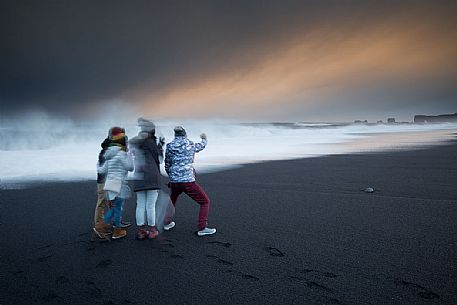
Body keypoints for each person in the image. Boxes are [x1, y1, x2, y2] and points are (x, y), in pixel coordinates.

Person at [164, 126, 216, 236]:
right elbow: (201, 146)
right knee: (204, 201)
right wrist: (204, 138)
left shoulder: (169, 146)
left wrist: (171, 177)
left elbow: (167, 163)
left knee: (172, 200)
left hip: (174, 181)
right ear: (185, 134)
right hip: (187, 180)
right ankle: (202, 227)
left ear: (175, 135)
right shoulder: (190, 144)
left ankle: (167, 222)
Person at [129, 118, 165, 240]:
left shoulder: (135, 142)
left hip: (139, 175)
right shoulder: (151, 142)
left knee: (140, 204)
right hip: (152, 176)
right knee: (150, 206)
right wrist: (161, 146)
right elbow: (159, 159)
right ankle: (152, 230)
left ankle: (141, 231)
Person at [97, 127, 134, 240]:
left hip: (109, 184)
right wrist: (130, 157)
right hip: (119, 184)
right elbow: (130, 168)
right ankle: (113, 229)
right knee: (117, 208)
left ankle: (106, 226)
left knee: (114, 207)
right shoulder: (122, 154)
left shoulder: (108, 155)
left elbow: (102, 170)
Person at [92, 136, 111, 239]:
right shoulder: (105, 154)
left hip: (103, 181)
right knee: (101, 203)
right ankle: (98, 227)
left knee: (104, 203)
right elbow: (103, 170)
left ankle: (101, 224)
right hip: (103, 182)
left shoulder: (103, 152)